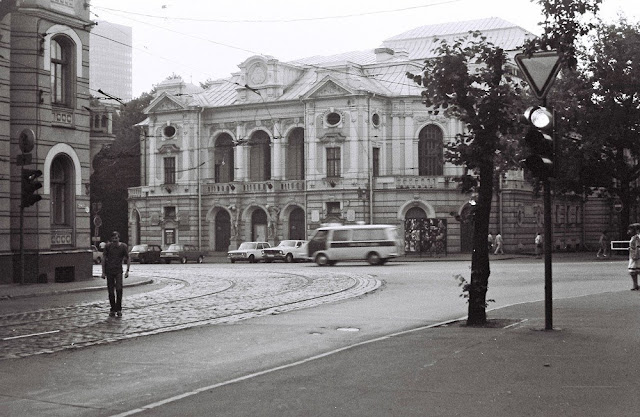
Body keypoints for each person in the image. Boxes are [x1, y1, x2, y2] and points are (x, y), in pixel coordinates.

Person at [102, 231, 130, 317]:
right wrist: (103, 272)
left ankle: (119, 309)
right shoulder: (108, 246)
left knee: (119, 289)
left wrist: (127, 270)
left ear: (119, 238)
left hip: (118, 271)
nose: (115, 240)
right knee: (110, 291)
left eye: (116, 238)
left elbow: (128, 258)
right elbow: (104, 259)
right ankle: (112, 309)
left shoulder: (123, 247)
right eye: (113, 238)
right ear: (111, 239)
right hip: (109, 271)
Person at [628, 225, 640, 291]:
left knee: (634, 270)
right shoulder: (633, 237)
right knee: (633, 271)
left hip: (636, 256)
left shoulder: (636, 238)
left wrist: (636, 255)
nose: (629, 231)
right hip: (632, 255)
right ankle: (635, 284)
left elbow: (638, 247)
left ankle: (635, 285)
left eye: (630, 230)